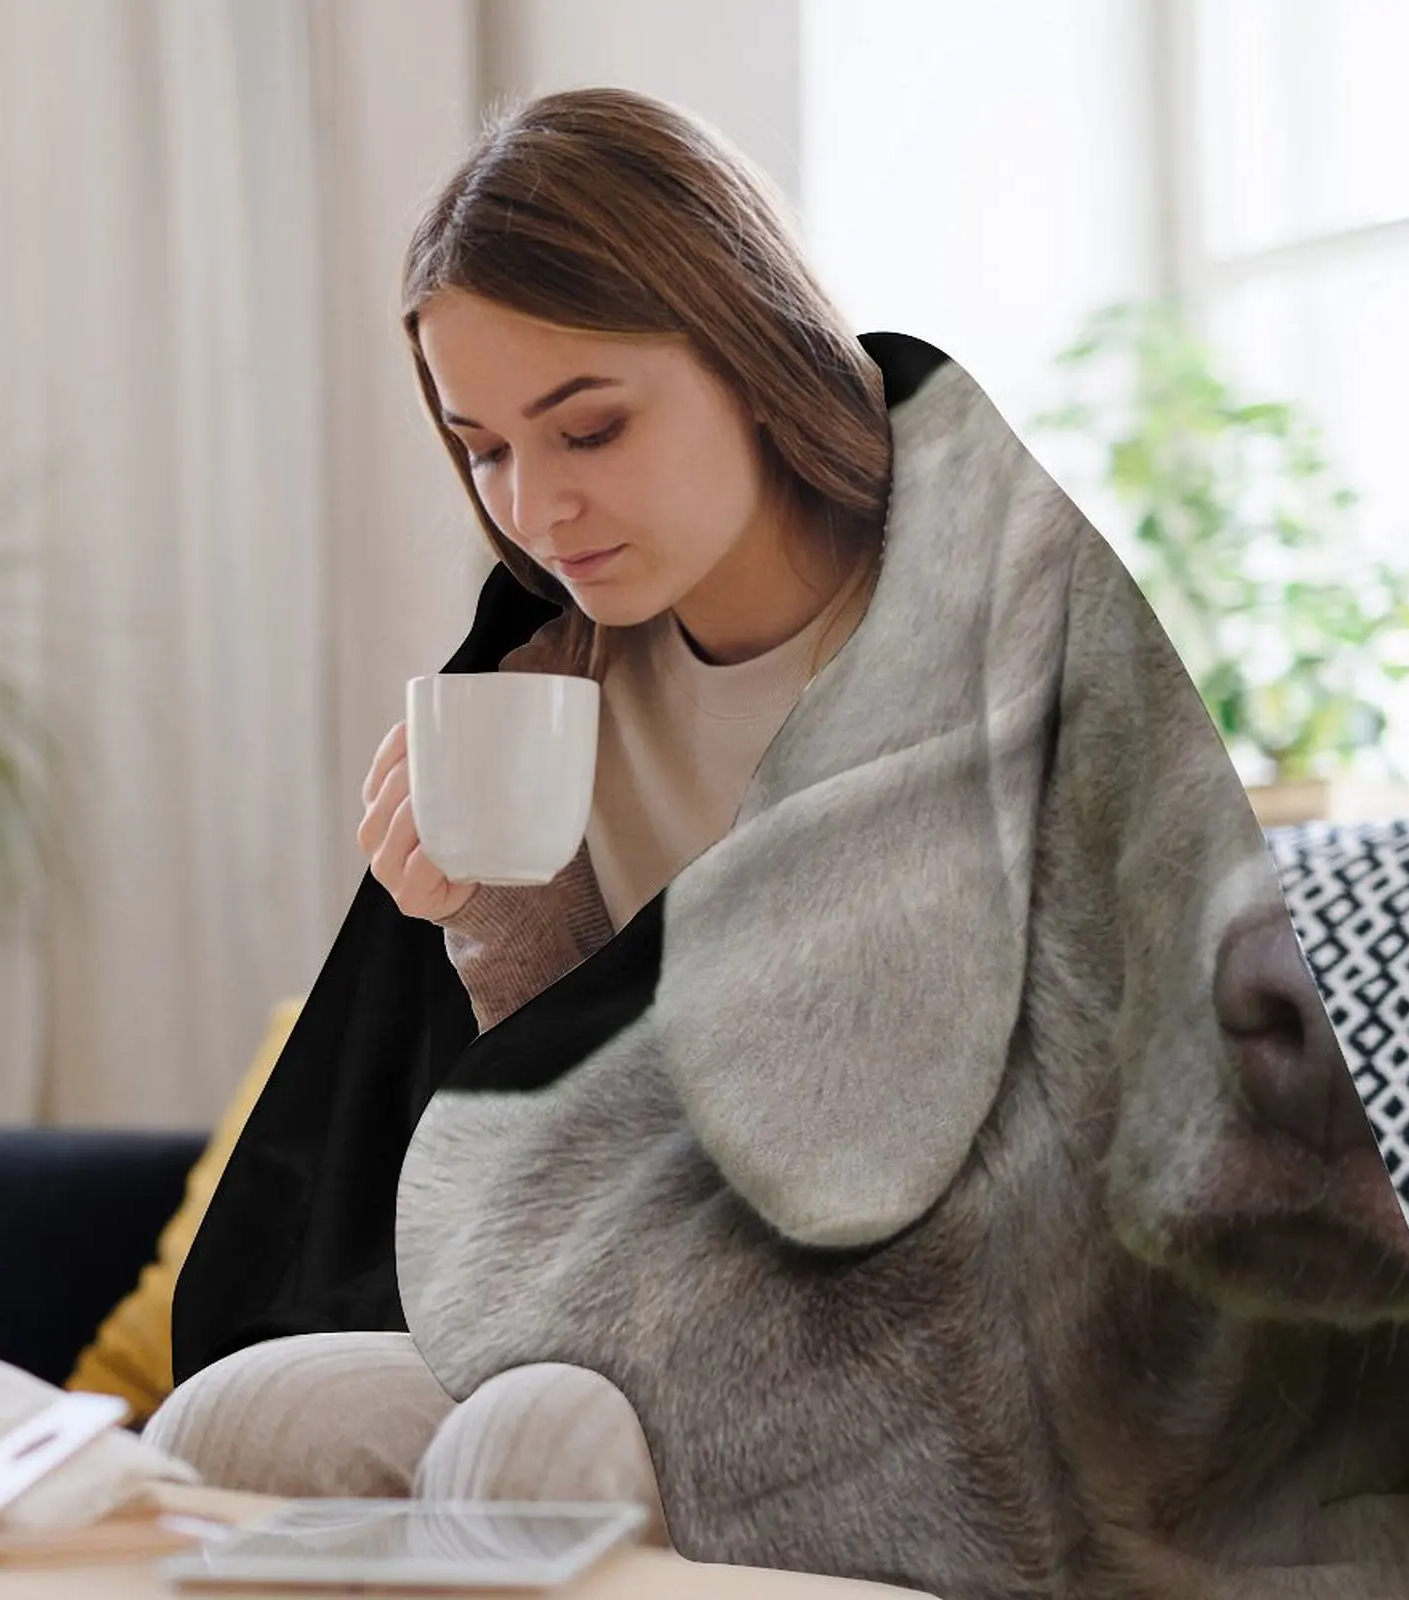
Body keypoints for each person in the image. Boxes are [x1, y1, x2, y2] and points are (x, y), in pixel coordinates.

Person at [142, 84, 892, 1518]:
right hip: (621, 1288)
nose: (536, 512)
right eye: (484, 448)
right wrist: (480, 913)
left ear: (751, 353)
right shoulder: (549, 677)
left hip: (918, 1320)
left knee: (541, 1441)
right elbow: (571, 1139)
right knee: (231, 1419)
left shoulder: (964, 636)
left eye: (589, 430)